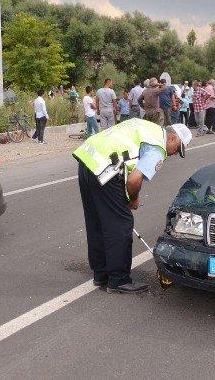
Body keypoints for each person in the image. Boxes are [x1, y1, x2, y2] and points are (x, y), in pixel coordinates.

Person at [73, 119, 193, 294]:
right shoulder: (157, 148)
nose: (175, 154)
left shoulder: (146, 125)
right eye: (178, 149)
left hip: (88, 160)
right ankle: (119, 280)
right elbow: (134, 179)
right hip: (107, 169)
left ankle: (101, 274)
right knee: (120, 225)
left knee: (97, 221)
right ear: (173, 138)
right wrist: (133, 199)